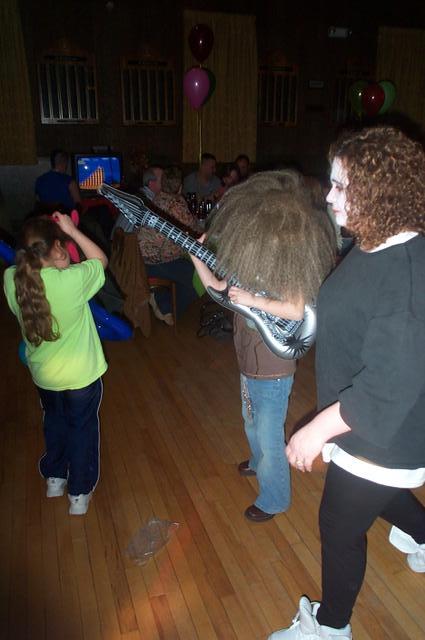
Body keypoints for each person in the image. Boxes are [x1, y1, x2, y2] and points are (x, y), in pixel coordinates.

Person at [269, 126, 425, 639]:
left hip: (383, 432)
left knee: (339, 524)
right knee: (375, 497)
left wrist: (316, 430)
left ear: (381, 192)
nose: (329, 196)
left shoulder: (406, 274)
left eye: (341, 186)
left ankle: (331, 627)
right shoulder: (376, 242)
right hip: (364, 421)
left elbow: (386, 390)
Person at [191, 171, 336, 522]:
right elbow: (219, 289)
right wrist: (194, 254)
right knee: (250, 420)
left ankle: (274, 499)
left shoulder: (287, 262)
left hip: (273, 367)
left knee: (269, 434)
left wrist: (254, 300)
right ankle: (257, 463)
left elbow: (296, 308)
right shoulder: (250, 259)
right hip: (247, 358)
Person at [3, 213, 108, 516]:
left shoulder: (12, 278)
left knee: (55, 422)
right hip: (80, 376)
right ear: (57, 248)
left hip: (43, 375)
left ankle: (55, 477)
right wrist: (73, 230)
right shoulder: (71, 281)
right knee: (81, 430)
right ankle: (79, 494)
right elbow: (100, 260)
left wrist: (60, 254)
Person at [140, 165, 201, 325]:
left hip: (142, 259)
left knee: (188, 268)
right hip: (158, 262)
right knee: (198, 277)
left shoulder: (157, 199)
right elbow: (195, 232)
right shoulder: (177, 204)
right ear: (180, 187)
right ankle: (170, 310)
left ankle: (161, 299)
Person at [112, 165, 163, 234]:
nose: (164, 183)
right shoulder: (147, 203)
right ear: (151, 183)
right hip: (127, 238)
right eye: (162, 180)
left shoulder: (137, 197)